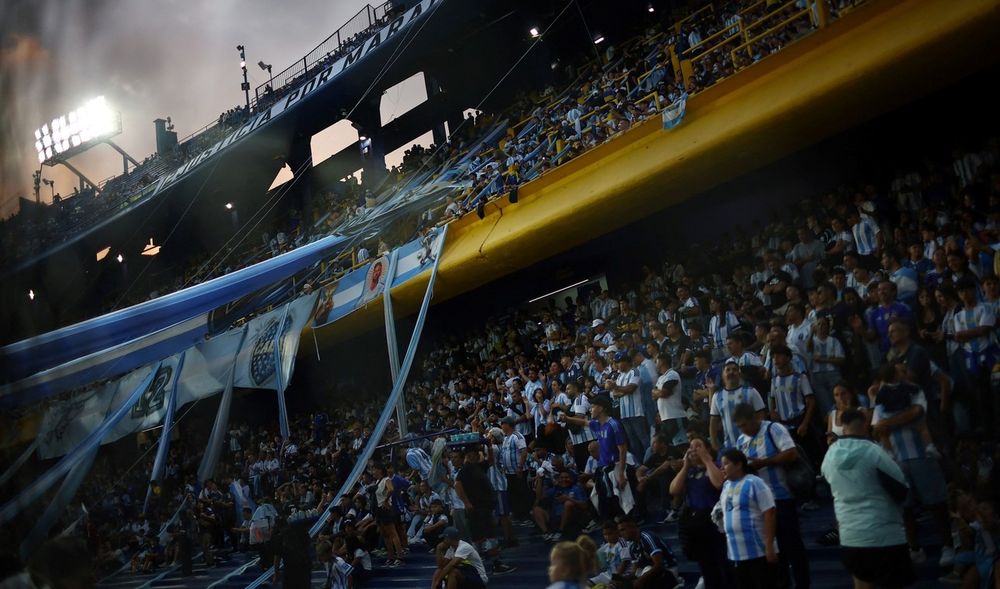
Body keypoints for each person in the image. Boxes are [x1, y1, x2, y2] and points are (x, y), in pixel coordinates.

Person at [821, 407, 915, 588]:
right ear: (865, 425)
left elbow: (829, 485)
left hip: (850, 538)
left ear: (843, 427)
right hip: (884, 536)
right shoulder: (874, 452)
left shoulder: (829, 456)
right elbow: (902, 490)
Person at [733, 403, 811, 588]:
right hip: (760, 504)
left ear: (754, 418)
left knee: (792, 547)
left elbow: (791, 453)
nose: (743, 430)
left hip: (781, 497)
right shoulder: (741, 440)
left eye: (745, 425)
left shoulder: (773, 429)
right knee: (774, 551)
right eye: (739, 427)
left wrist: (764, 462)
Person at [669, 433, 731, 589]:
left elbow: (719, 483)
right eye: (690, 447)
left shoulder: (717, 465)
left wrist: (707, 460)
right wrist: (685, 466)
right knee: (707, 568)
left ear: (707, 449)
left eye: (698, 446)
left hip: (717, 524)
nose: (693, 450)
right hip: (698, 526)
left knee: (724, 566)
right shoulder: (690, 472)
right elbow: (674, 490)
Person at [713, 448, 778, 589]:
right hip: (736, 553)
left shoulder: (755, 483)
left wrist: (769, 546)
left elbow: (770, 512)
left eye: (726, 464)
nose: (722, 468)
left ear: (738, 464)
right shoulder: (726, 486)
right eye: (721, 465)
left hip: (758, 551)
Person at [709, 361, 766, 451]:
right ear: (723, 375)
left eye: (735, 370)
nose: (731, 372)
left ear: (739, 374)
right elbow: (713, 421)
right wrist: (714, 443)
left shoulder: (751, 391)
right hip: (730, 446)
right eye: (728, 370)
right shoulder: (717, 396)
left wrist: (759, 437)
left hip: (752, 443)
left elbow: (761, 416)